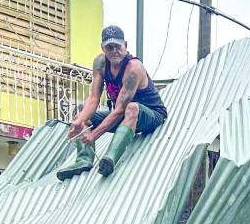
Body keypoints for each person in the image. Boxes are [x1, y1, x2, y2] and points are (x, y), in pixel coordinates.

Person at [59, 25, 168, 181]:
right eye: (109, 47)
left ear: (125, 45)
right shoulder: (100, 63)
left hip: (151, 115)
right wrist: (79, 121)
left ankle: (109, 158)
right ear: (103, 48)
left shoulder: (133, 68)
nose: (114, 50)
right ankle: (84, 160)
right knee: (83, 115)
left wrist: (95, 135)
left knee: (131, 107)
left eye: (117, 46)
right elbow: (94, 97)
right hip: (125, 117)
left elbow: (119, 110)